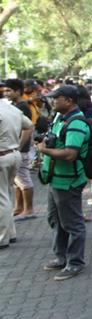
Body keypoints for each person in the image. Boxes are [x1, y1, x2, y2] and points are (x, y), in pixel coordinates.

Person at [37, 85, 91, 280]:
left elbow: (70, 154)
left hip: (68, 182)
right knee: (56, 220)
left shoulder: (77, 123)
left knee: (73, 223)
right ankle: (61, 257)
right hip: (56, 180)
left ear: (68, 100)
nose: (52, 101)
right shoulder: (61, 118)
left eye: (56, 98)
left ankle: (75, 262)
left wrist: (44, 151)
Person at [0, 88, 33, 249]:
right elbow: (28, 126)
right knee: (6, 194)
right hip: (13, 154)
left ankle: (3, 238)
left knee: (2, 198)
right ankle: (10, 233)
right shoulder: (11, 108)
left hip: (3, 155)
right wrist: (18, 146)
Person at [3, 79, 35, 220]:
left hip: (20, 149)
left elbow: (28, 128)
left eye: (9, 90)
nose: (6, 93)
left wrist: (19, 146)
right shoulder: (14, 105)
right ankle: (18, 207)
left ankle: (28, 209)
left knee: (24, 180)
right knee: (17, 182)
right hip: (16, 150)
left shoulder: (23, 107)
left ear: (18, 91)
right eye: (5, 91)